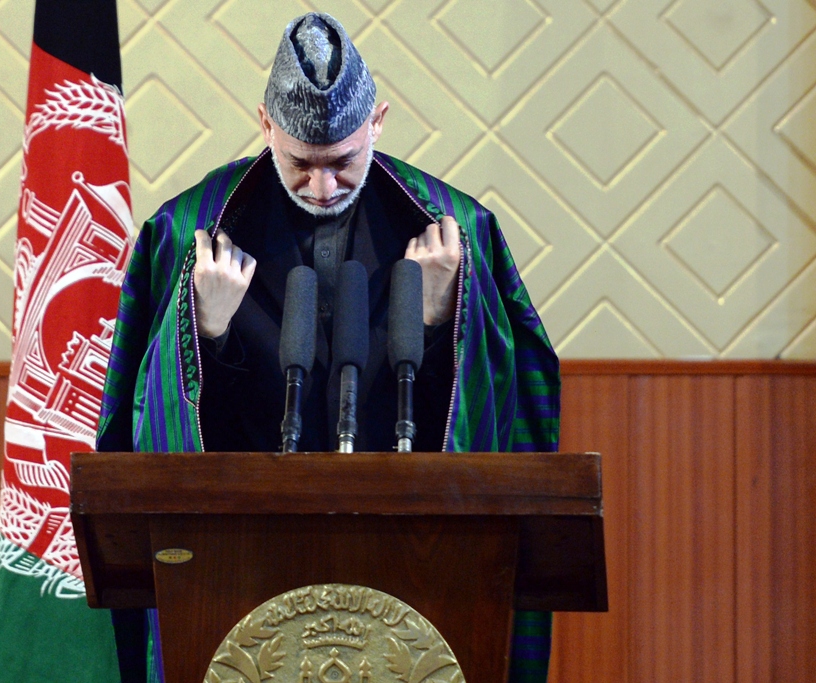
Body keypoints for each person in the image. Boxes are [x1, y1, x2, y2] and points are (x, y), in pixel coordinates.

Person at [97, 12, 559, 683]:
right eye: (300, 164)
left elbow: (501, 423)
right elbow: (148, 427)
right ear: (264, 126)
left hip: (412, 567)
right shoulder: (186, 232)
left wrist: (438, 321)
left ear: (378, 122)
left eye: (342, 161)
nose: (323, 186)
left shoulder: (458, 231)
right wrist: (206, 333)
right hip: (238, 571)